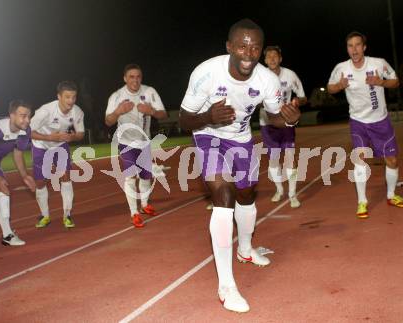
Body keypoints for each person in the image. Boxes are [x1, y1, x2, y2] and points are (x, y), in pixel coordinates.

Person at [179, 19, 300, 313]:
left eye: (255, 47)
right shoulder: (206, 73)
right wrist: (208, 117)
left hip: (241, 140)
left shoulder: (267, 81)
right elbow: (183, 120)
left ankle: (245, 250)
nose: (249, 53)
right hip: (208, 136)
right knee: (223, 196)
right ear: (230, 46)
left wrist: (289, 119)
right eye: (242, 45)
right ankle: (227, 286)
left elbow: (274, 117)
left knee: (246, 194)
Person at [327, 31, 403, 219]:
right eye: (350, 46)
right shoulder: (341, 68)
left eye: (357, 45)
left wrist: (381, 81)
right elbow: (330, 87)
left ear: (364, 47)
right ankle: (362, 201)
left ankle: (391, 195)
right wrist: (339, 86)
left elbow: (395, 81)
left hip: (380, 121)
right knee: (360, 160)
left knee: (392, 161)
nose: (354, 49)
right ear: (347, 49)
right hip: (358, 122)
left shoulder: (378, 63)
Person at [105, 64, 167, 228]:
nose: (135, 80)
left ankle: (145, 204)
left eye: (138, 76)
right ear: (125, 78)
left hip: (144, 142)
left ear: (141, 78)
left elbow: (163, 114)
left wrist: (151, 111)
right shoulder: (116, 96)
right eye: (131, 77)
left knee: (146, 176)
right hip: (126, 142)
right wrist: (118, 111)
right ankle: (134, 212)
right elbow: (108, 121)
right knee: (131, 176)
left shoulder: (149, 92)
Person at [31, 81, 85, 228]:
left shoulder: (77, 112)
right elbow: (28, 132)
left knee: (65, 177)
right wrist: (49, 138)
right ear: (59, 97)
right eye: (67, 97)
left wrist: (72, 137)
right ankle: (45, 216)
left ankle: (67, 215)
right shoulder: (45, 111)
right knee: (40, 182)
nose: (71, 101)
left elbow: (80, 133)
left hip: (60, 145)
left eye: (74, 97)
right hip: (41, 145)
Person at [259, 45, 307, 207]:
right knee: (273, 159)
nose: (272, 58)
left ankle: (292, 194)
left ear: (280, 58)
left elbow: (303, 97)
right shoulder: (259, 76)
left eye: (275, 56)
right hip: (267, 123)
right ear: (265, 60)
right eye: (269, 56)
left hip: (286, 123)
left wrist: (296, 102)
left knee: (289, 158)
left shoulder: (290, 75)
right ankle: (279, 190)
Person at [0, 100, 35, 246]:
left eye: (29, 116)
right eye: (23, 116)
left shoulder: (25, 130)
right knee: (3, 189)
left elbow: (18, 153)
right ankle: (7, 235)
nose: (27, 120)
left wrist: (25, 176)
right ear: (12, 115)